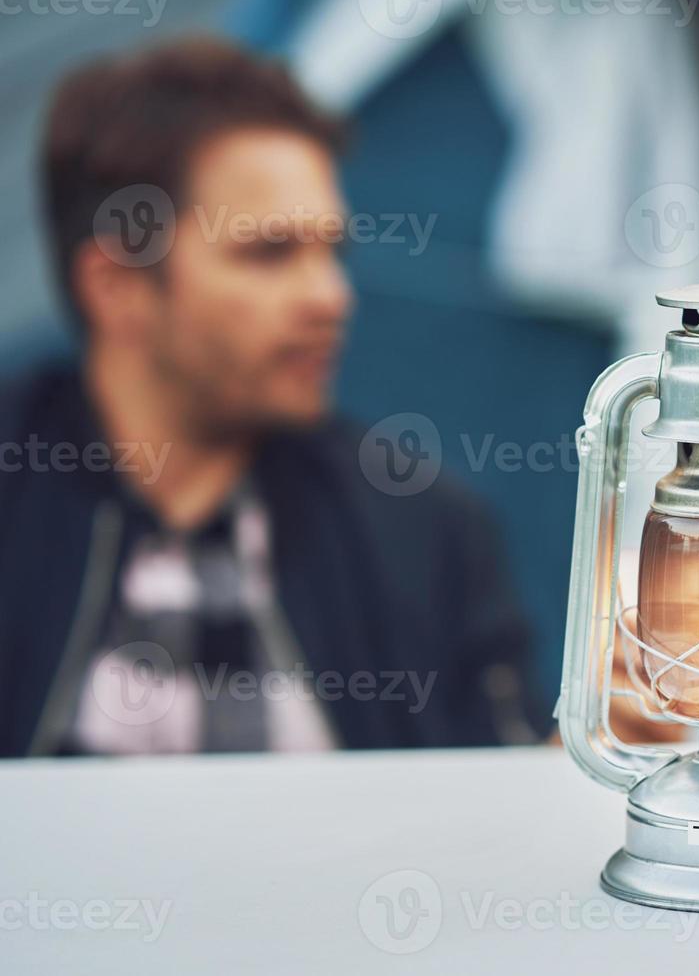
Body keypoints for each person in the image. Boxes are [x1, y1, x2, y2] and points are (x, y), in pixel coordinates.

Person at [0, 38, 539, 756]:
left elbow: (503, 802)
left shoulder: (423, 534)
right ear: (117, 285)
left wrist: (598, 755)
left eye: (333, 253)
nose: (331, 299)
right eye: (271, 253)